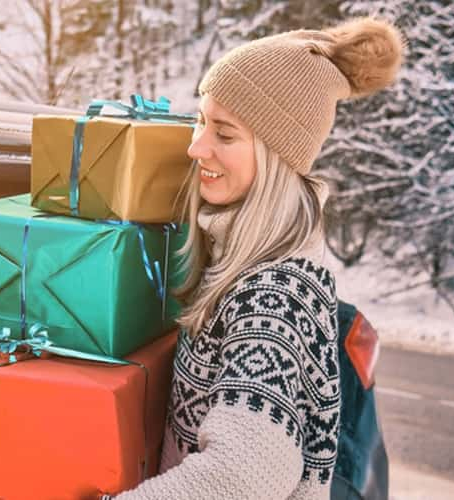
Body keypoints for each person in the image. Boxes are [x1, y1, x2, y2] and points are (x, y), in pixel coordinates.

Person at [114, 17, 403, 500]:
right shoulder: (245, 264)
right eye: (201, 121)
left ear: (276, 157)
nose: (195, 146)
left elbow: (244, 473)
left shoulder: (272, 294)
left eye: (224, 134)